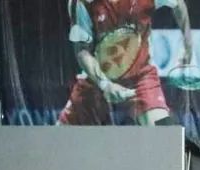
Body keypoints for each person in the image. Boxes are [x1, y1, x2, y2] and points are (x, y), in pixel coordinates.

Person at [59, 0, 192, 126]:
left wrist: (187, 46)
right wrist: (105, 84)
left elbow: (178, 4)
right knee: (58, 138)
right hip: (96, 81)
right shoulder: (83, 2)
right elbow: (82, 51)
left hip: (140, 78)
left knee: (162, 133)